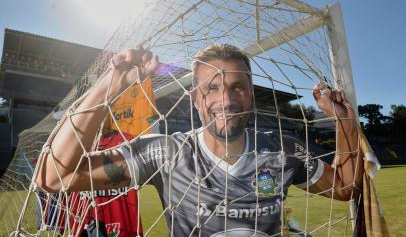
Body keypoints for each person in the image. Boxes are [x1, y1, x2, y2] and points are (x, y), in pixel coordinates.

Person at [36, 44, 362, 236]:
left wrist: (344, 121)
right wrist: (112, 83)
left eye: (237, 87)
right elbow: (53, 177)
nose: (226, 99)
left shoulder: (283, 149)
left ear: (250, 95)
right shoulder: (166, 153)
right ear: (195, 98)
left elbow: (346, 187)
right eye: (213, 88)